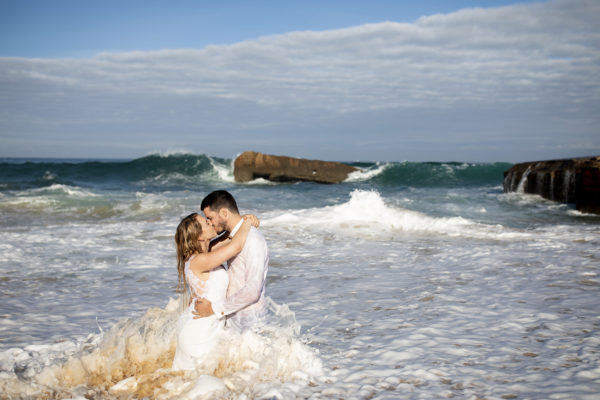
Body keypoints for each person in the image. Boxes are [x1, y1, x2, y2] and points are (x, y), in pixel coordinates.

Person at [172, 212, 257, 371]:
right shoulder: (199, 260)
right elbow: (235, 246)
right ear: (199, 236)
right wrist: (247, 222)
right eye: (206, 222)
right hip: (199, 331)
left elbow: (230, 237)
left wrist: (239, 221)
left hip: (206, 324)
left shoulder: (204, 253)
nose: (211, 223)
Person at [193, 190, 269, 332]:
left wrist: (213, 308)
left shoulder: (253, 240)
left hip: (250, 321)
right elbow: (209, 249)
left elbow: (253, 290)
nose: (209, 222)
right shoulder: (234, 238)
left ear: (224, 213)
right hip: (233, 317)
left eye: (210, 217)